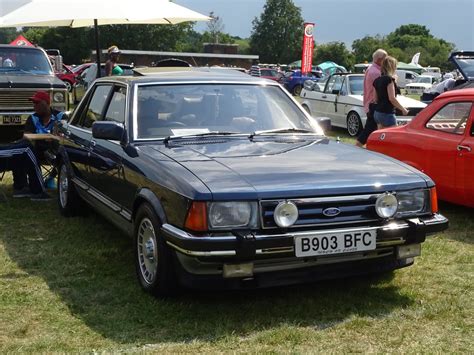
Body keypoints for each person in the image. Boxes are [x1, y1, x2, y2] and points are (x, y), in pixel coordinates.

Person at [355, 49, 387, 147]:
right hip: (374, 105)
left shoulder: (371, 69)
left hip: (370, 104)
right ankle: (356, 147)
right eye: (385, 59)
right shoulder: (376, 72)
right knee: (369, 130)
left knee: (372, 129)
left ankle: (367, 147)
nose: (386, 62)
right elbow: (380, 89)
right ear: (379, 59)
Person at [373, 56, 409, 129]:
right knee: (392, 137)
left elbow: (375, 99)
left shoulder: (376, 81)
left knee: (381, 137)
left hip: (377, 113)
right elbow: (391, 98)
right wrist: (403, 109)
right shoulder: (389, 80)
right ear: (392, 67)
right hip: (387, 113)